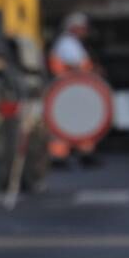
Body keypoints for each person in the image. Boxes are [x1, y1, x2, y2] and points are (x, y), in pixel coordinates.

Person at [47, 12, 102, 166]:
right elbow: (75, 66)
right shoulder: (67, 43)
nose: (84, 31)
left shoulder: (71, 43)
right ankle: (61, 156)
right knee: (69, 122)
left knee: (77, 121)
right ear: (74, 28)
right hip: (68, 90)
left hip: (72, 89)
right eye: (82, 28)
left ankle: (83, 154)